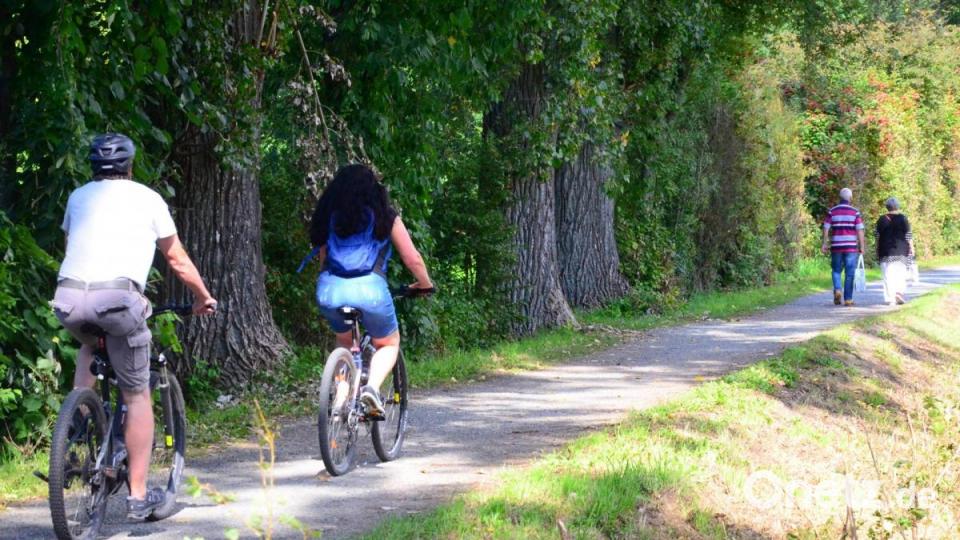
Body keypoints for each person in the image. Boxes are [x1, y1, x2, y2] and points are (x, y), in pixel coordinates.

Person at [51, 133, 217, 519]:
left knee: (91, 344)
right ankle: (138, 495)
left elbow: (72, 248)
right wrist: (202, 297)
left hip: (70, 298)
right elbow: (176, 259)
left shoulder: (78, 197)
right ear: (129, 165)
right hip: (118, 299)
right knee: (137, 394)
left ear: (94, 166)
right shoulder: (148, 198)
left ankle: (78, 427)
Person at [308, 164, 432, 416]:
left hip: (329, 290)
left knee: (343, 341)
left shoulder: (329, 216)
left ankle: (341, 397)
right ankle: (372, 390)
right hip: (370, 290)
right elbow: (412, 259)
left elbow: (323, 259)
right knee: (388, 343)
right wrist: (424, 283)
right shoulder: (385, 216)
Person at [821, 187, 866, 306]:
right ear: (850, 198)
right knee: (849, 273)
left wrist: (824, 243)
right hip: (851, 247)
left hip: (836, 246)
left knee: (836, 270)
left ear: (839, 198)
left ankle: (837, 289)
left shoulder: (832, 211)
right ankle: (848, 299)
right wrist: (862, 246)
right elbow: (860, 230)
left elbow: (826, 227)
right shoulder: (855, 212)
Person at [875, 197, 914, 305]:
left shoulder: (881, 219)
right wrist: (912, 248)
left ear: (887, 207)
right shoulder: (903, 218)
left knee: (887, 275)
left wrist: (876, 249)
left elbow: (877, 236)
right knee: (900, 274)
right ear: (898, 206)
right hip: (902, 250)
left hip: (885, 251)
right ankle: (899, 293)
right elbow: (908, 235)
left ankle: (890, 298)